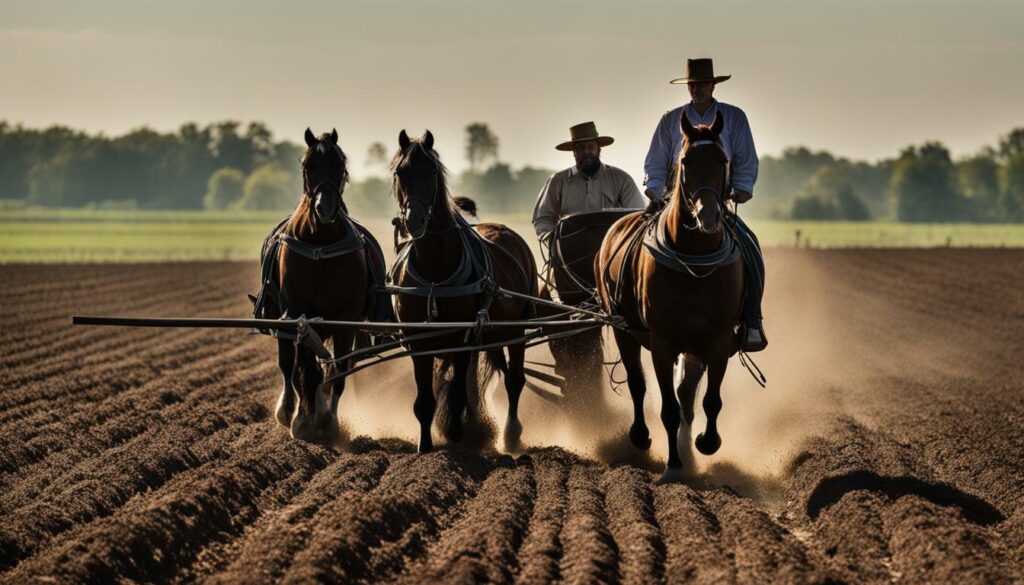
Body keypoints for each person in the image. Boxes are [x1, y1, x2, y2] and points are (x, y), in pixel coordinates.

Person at [643, 58, 768, 352]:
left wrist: (743, 188)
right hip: (672, 204)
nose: (697, 89)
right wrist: (656, 191)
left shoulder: (735, 118)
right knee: (635, 246)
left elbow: (746, 159)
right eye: (692, 85)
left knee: (750, 246)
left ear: (713, 85)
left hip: (717, 203)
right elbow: (655, 163)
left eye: (702, 84)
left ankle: (752, 320)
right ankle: (630, 311)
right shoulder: (669, 120)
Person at [532, 121, 646, 243]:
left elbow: (638, 215)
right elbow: (543, 218)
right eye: (580, 148)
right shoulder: (558, 181)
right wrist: (555, 241)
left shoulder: (621, 179)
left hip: (611, 250)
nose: (586, 152)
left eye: (590, 147)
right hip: (570, 250)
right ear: (574, 152)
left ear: (599, 149)